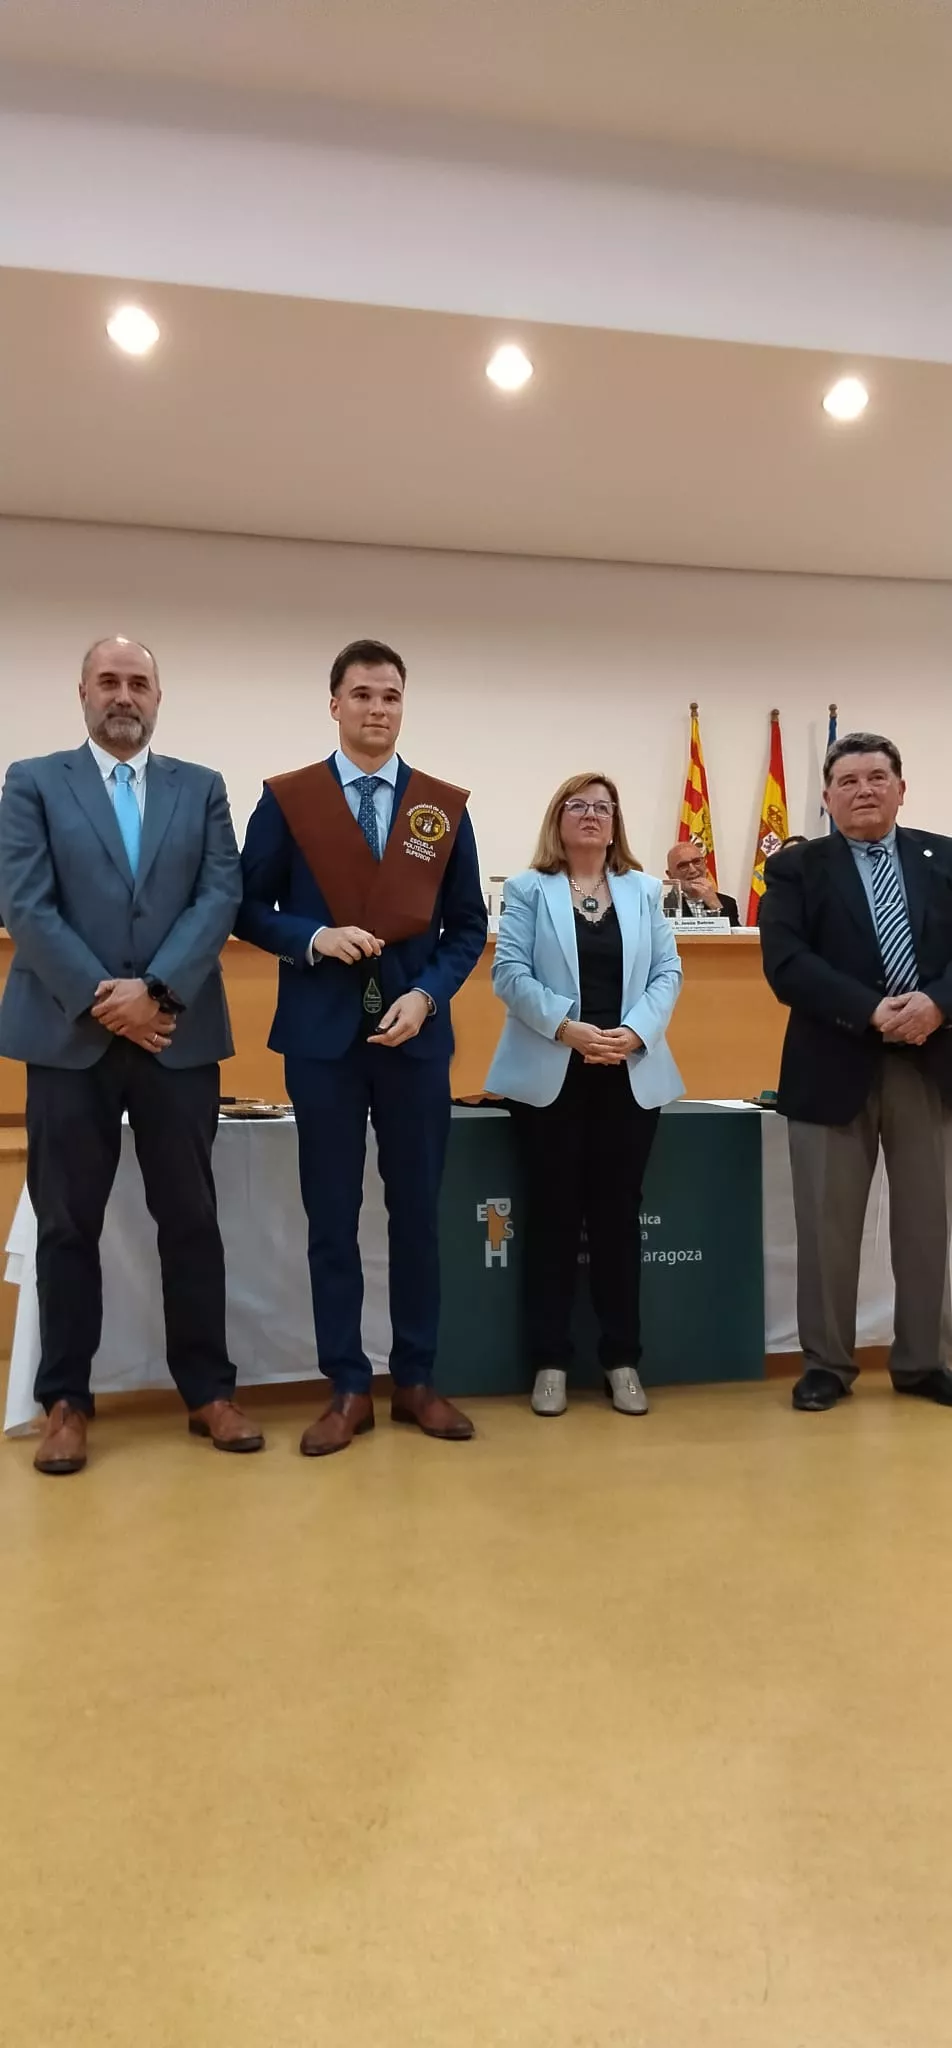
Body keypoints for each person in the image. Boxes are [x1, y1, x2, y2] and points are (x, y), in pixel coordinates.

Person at [0, 637, 262, 1474]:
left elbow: (219, 895)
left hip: (175, 1035)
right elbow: (25, 903)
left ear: (159, 698)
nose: (124, 695)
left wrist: (155, 992)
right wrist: (104, 999)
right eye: (108, 680)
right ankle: (66, 1402)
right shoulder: (33, 782)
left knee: (190, 1222)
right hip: (66, 1035)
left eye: (138, 682)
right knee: (67, 1226)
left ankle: (209, 1393)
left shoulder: (203, 788)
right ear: (81, 691)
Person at [237, 638, 487, 1456]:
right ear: (334, 704)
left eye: (391, 696)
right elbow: (247, 908)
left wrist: (427, 995)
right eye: (362, 695)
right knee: (331, 1217)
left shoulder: (439, 806)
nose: (377, 709)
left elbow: (468, 928)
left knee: (418, 1214)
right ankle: (347, 1385)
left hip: (414, 1037)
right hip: (321, 1040)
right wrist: (311, 937)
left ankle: (415, 1377)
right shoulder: (290, 799)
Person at [760, 731, 952, 1413]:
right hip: (831, 1062)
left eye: (877, 777)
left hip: (930, 1065)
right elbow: (786, 964)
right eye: (848, 780)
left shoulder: (945, 858)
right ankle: (828, 1365)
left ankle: (925, 1360)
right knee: (827, 1226)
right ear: (826, 796)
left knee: (929, 1223)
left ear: (902, 787)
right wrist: (874, 1011)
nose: (864, 790)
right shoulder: (795, 868)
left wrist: (935, 1004)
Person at [487, 774, 683, 1417]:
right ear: (558, 819)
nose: (592, 816)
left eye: (603, 807)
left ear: (616, 821)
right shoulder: (527, 889)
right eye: (579, 806)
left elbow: (666, 972)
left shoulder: (644, 890)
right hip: (552, 1075)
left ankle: (621, 1359)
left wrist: (634, 1031)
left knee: (617, 1221)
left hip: (628, 1074)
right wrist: (567, 1027)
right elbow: (508, 973)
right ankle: (549, 1361)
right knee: (550, 1217)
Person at [664, 839, 740, 925]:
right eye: (683, 866)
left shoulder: (727, 903)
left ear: (705, 863)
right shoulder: (662, 906)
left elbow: (737, 937)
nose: (692, 870)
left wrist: (715, 905)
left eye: (697, 862)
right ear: (670, 875)